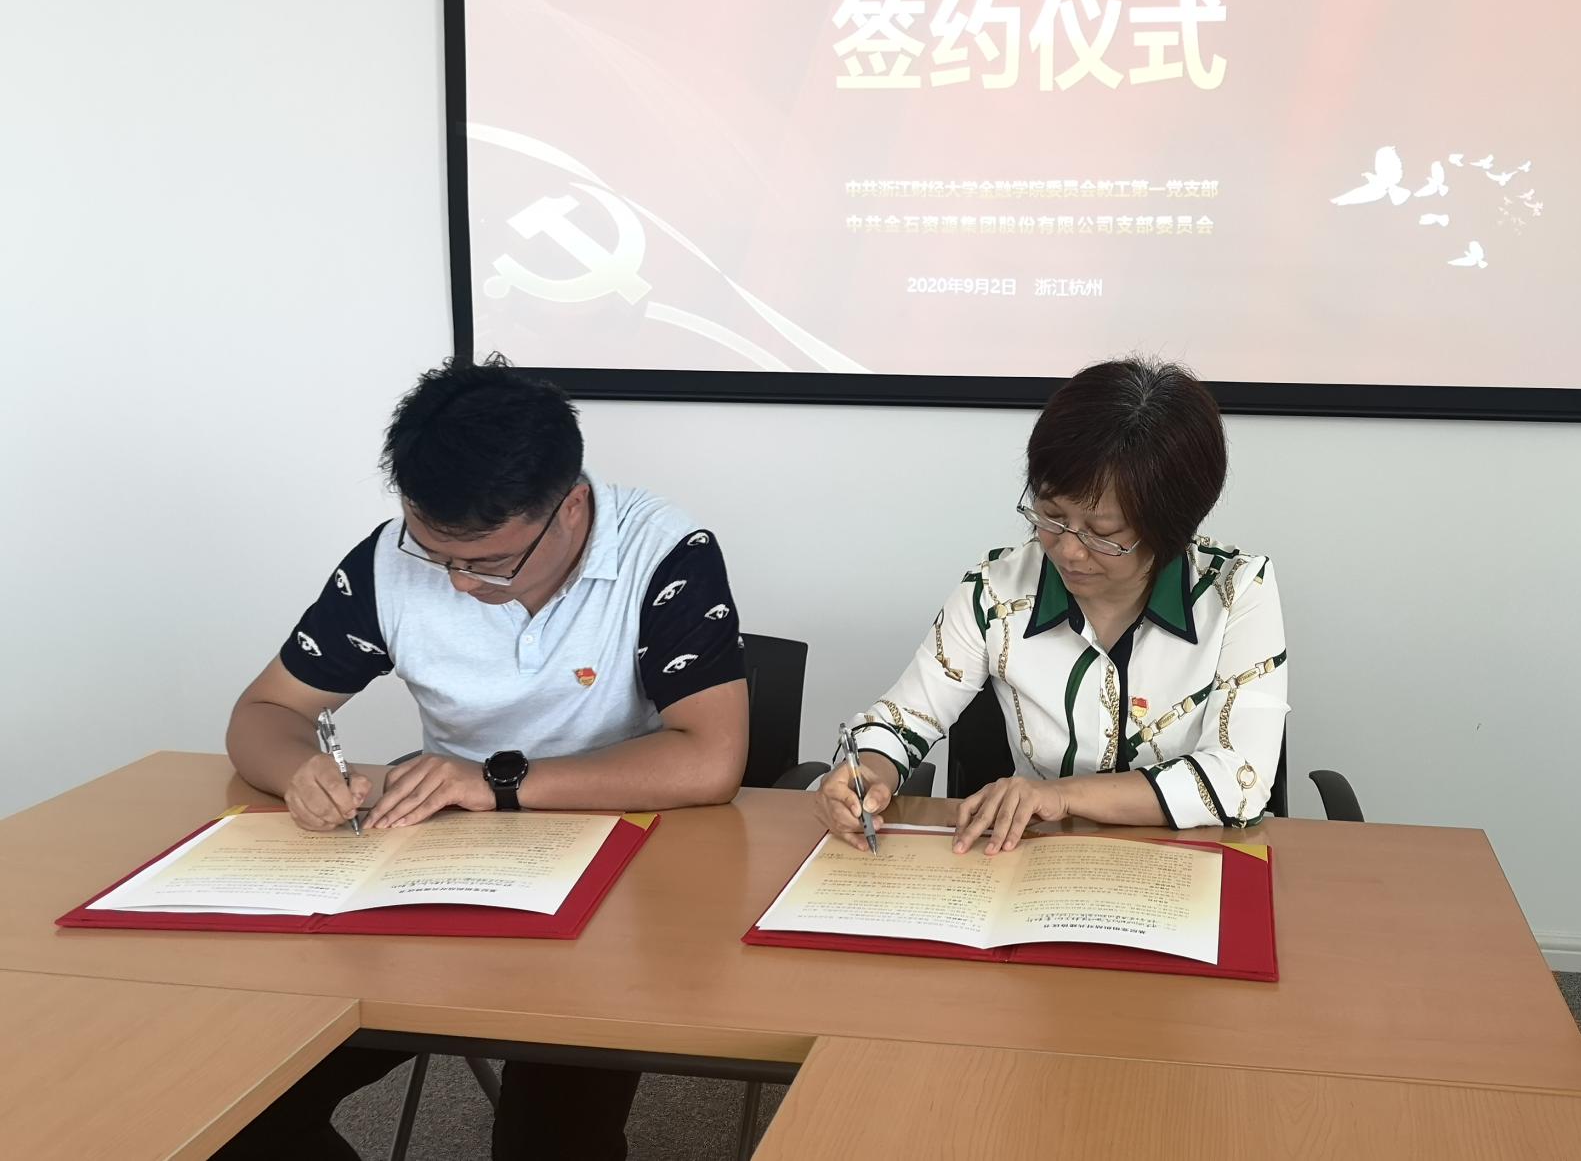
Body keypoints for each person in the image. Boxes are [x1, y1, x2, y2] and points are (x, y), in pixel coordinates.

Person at [219, 356, 748, 1161]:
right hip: (442, 875)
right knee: (244, 1102)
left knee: (550, 1141)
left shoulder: (665, 554)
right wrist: (301, 771)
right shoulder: (391, 561)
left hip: (619, 884)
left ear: (571, 508)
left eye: (488, 562)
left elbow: (710, 759)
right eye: (438, 557)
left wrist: (494, 781)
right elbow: (264, 713)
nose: (459, 585)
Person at [815, 358, 1287, 855]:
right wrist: (865, 772)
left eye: (1103, 533)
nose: (1068, 550)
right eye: (1051, 515)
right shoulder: (996, 591)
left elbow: (1240, 779)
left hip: (1191, 863)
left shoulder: (1236, 591)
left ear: (1172, 527)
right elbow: (902, 718)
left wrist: (1059, 796)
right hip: (1034, 864)